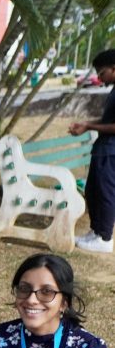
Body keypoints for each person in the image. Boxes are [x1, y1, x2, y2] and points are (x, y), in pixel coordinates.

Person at [69, 49, 115, 254]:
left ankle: (105, 238)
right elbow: (108, 122)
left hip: (111, 152)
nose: (99, 77)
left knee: (105, 193)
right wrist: (87, 125)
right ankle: (96, 232)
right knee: (93, 191)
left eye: (102, 72)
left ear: (114, 68)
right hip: (103, 149)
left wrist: (89, 126)